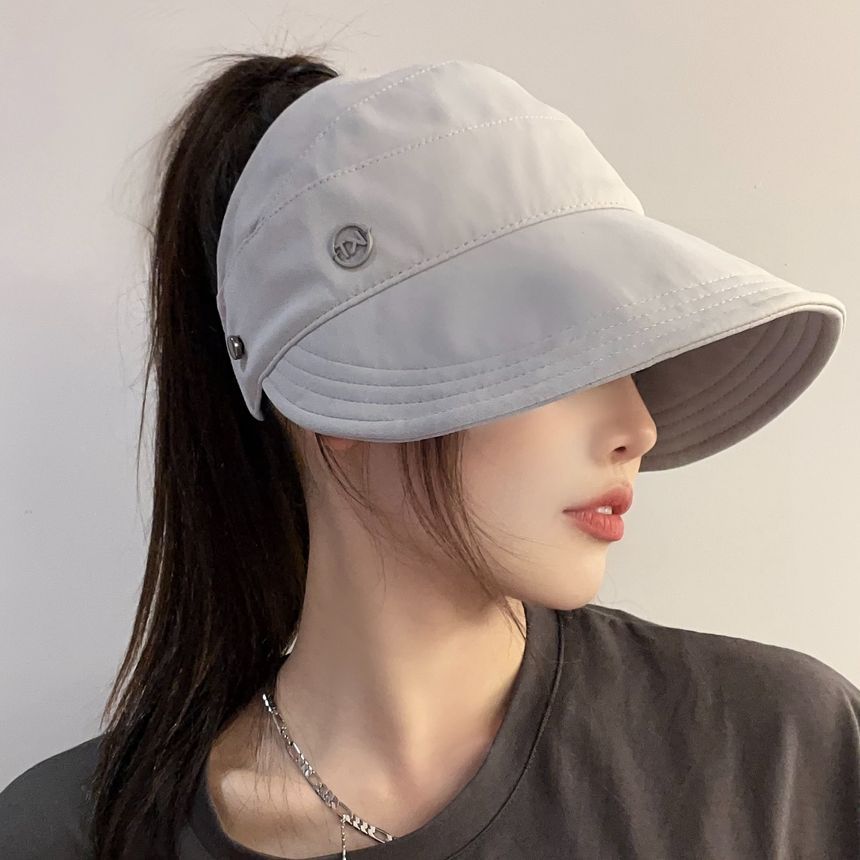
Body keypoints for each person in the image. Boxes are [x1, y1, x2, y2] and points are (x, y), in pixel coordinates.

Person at [0, 51, 857, 860]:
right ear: (344, 382)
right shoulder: (66, 834)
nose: (639, 424)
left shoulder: (784, 756)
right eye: (562, 352)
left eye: (624, 360)